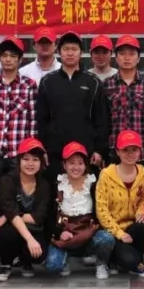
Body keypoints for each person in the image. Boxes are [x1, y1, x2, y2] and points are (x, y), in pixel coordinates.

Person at [35, 31, 109, 182]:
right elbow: (41, 119)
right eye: (66, 49)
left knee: (85, 193)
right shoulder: (47, 81)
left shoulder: (93, 82)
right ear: (59, 52)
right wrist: (42, 149)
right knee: (56, 192)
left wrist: (99, 150)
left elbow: (101, 119)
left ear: (81, 53)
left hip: (85, 152)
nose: (70, 53)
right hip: (55, 152)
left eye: (74, 49)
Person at [0, 36, 38, 203]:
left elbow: (32, 121)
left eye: (12, 56)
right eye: (4, 55)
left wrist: (30, 151)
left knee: (17, 198)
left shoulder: (29, 85)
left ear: (20, 59)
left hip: (18, 152)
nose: (8, 59)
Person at [45, 142, 117, 278]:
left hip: (89, 233)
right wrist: (59, 232)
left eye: (80, 163)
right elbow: (48, 216)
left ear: (86, 164)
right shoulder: (57, 185)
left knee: (107, 239)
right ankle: (66, 256)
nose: (76, 167)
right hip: (66, 234)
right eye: (71, 163)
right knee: (53, 265)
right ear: (64, 165)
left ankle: (101, 262)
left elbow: (102, 209)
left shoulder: (94, 183)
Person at [94, 130, 144, 278]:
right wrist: (119, 234)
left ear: (139, 151)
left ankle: (131, 258)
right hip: (112, 231)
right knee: (130, 260)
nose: (130, 154)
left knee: (143, 228)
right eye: (125, 150)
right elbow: (101, 210)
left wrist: (141, 211)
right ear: (117, 152)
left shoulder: (143, 172)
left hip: (132, 228)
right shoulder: (106, 174)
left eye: (134, 150)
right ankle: (116, 259)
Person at [0, 137, 52, 282]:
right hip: (11, 230)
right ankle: (5, 264)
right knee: (6, 234)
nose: (30, 164)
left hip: (32, 228)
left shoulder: (44, 184)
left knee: (41, 252)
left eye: (35, 160)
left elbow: (38, 217)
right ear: (19, 160)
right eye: (26, 159)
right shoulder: (7, 180)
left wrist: (9, 216)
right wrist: (12, 215)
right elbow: (8, 209)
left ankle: (26, 262)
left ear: (41, 162)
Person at [103, 35, 144, 171]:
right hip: (115, 153)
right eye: (122, 54)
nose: (127, 58)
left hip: (143, 152)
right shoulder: (108, 84)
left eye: (131, 54)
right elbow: (104, 121)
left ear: (138, 58)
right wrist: (103, 150)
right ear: (116, 57)